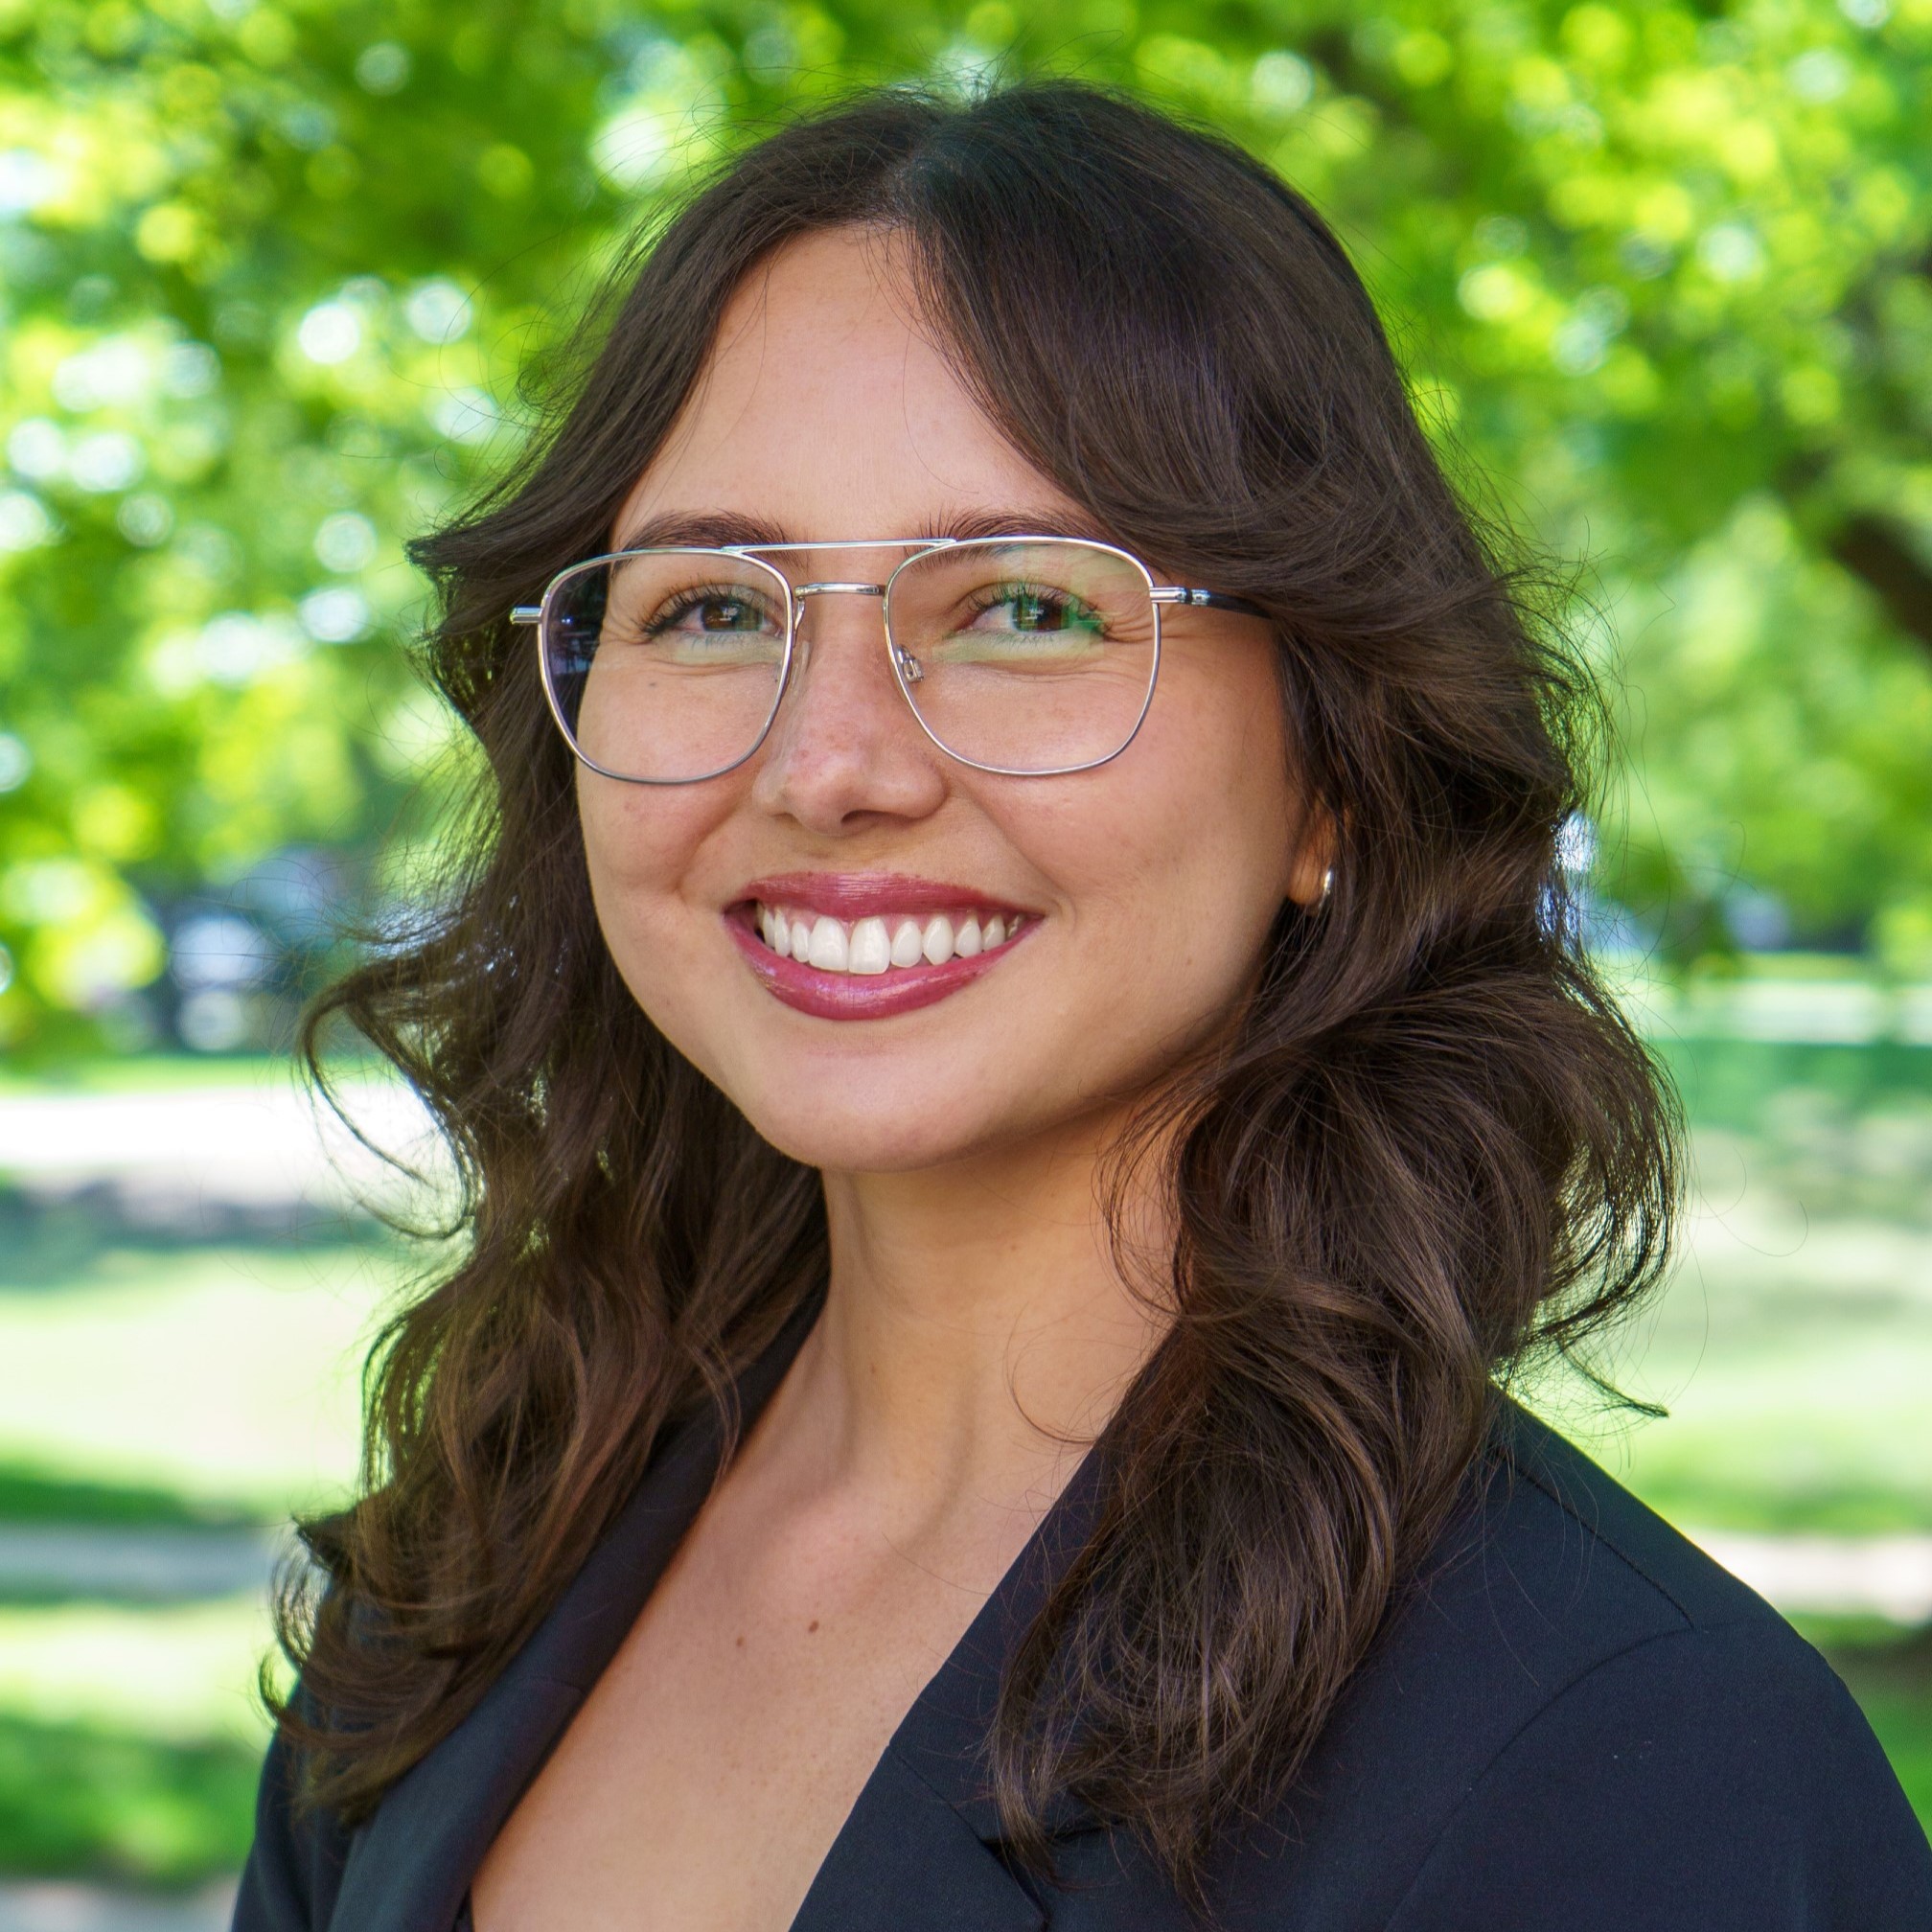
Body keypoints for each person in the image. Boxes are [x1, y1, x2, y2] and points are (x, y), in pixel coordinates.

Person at [233, 80, 1932, 1932]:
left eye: (1028, 608)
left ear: (1333, 775)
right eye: (714, 607)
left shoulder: (1639, 1764)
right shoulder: (469, 1567)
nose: (830, 762)